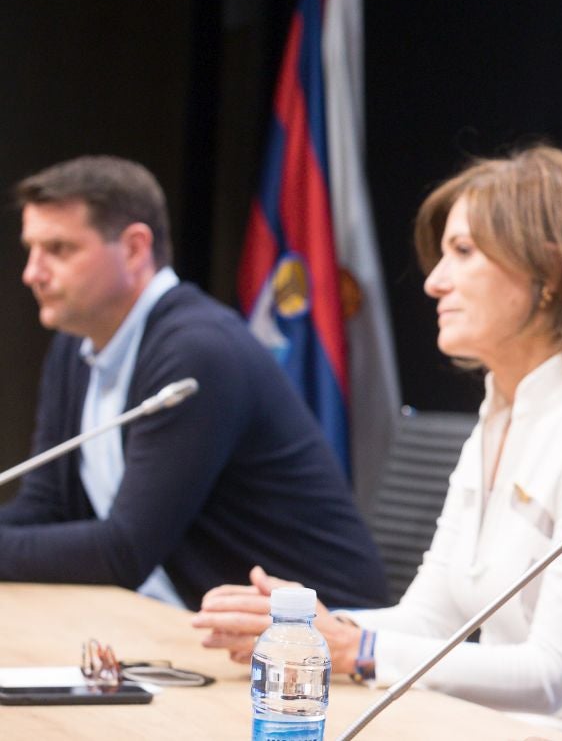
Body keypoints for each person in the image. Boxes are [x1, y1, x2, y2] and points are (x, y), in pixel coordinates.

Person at [194, 144, 562, 737]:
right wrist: (299, 632)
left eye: (462, 253)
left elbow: (553, 673)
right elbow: (431, 617)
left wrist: (356, 648)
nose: (434, 282)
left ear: (551, 272)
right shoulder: (499, 417)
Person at [1, 155, 388, 611]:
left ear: (133, 248)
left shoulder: (197, 353)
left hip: (312, 640)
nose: (33, 273)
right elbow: (48, 506)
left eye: (59, 249)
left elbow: (125, 551)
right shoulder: (77, 347)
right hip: (195, 626)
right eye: (32, 249)